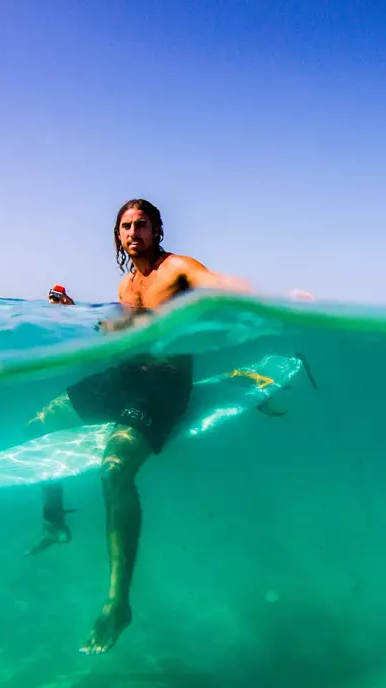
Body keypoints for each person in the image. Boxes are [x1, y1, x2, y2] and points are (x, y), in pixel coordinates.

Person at [26, 198, 256, 655]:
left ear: (156, 231)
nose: (134, 233)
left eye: (142, 225)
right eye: (126, 226)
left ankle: (118, 603)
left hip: (164, 385)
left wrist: (267, 298)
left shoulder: (177, 269)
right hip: (126, 378)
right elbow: (122, 331)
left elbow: (220, 285)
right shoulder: (126, 284)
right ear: (117, 235)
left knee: (114, 470)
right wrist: (76, 312)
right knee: (40, 422)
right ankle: (54, 521)